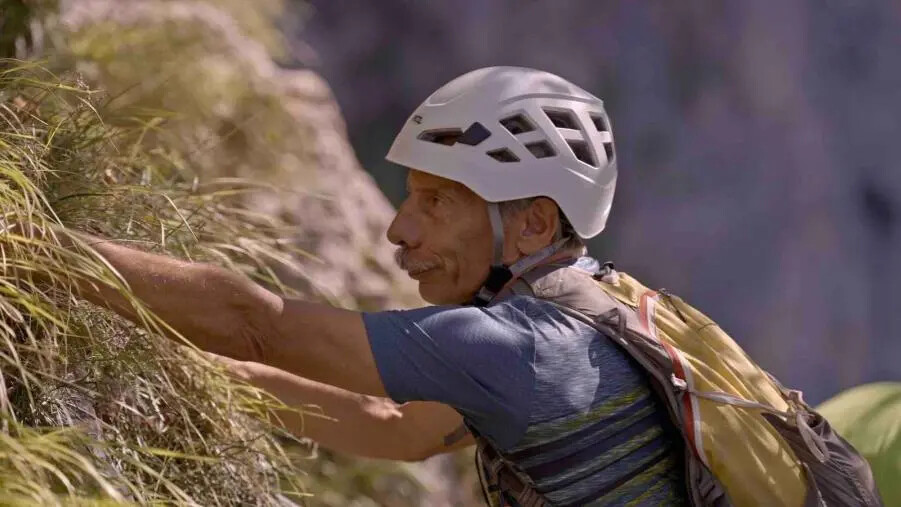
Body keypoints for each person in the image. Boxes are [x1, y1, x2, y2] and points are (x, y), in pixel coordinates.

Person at [14, 67, 688, 505]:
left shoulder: (517, 349)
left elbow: (258, 324)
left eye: (436, 202)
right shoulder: (604, 308)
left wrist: (34, 246)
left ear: (533, 223)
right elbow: (399, 428)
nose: (399, 229)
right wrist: (195, 370)